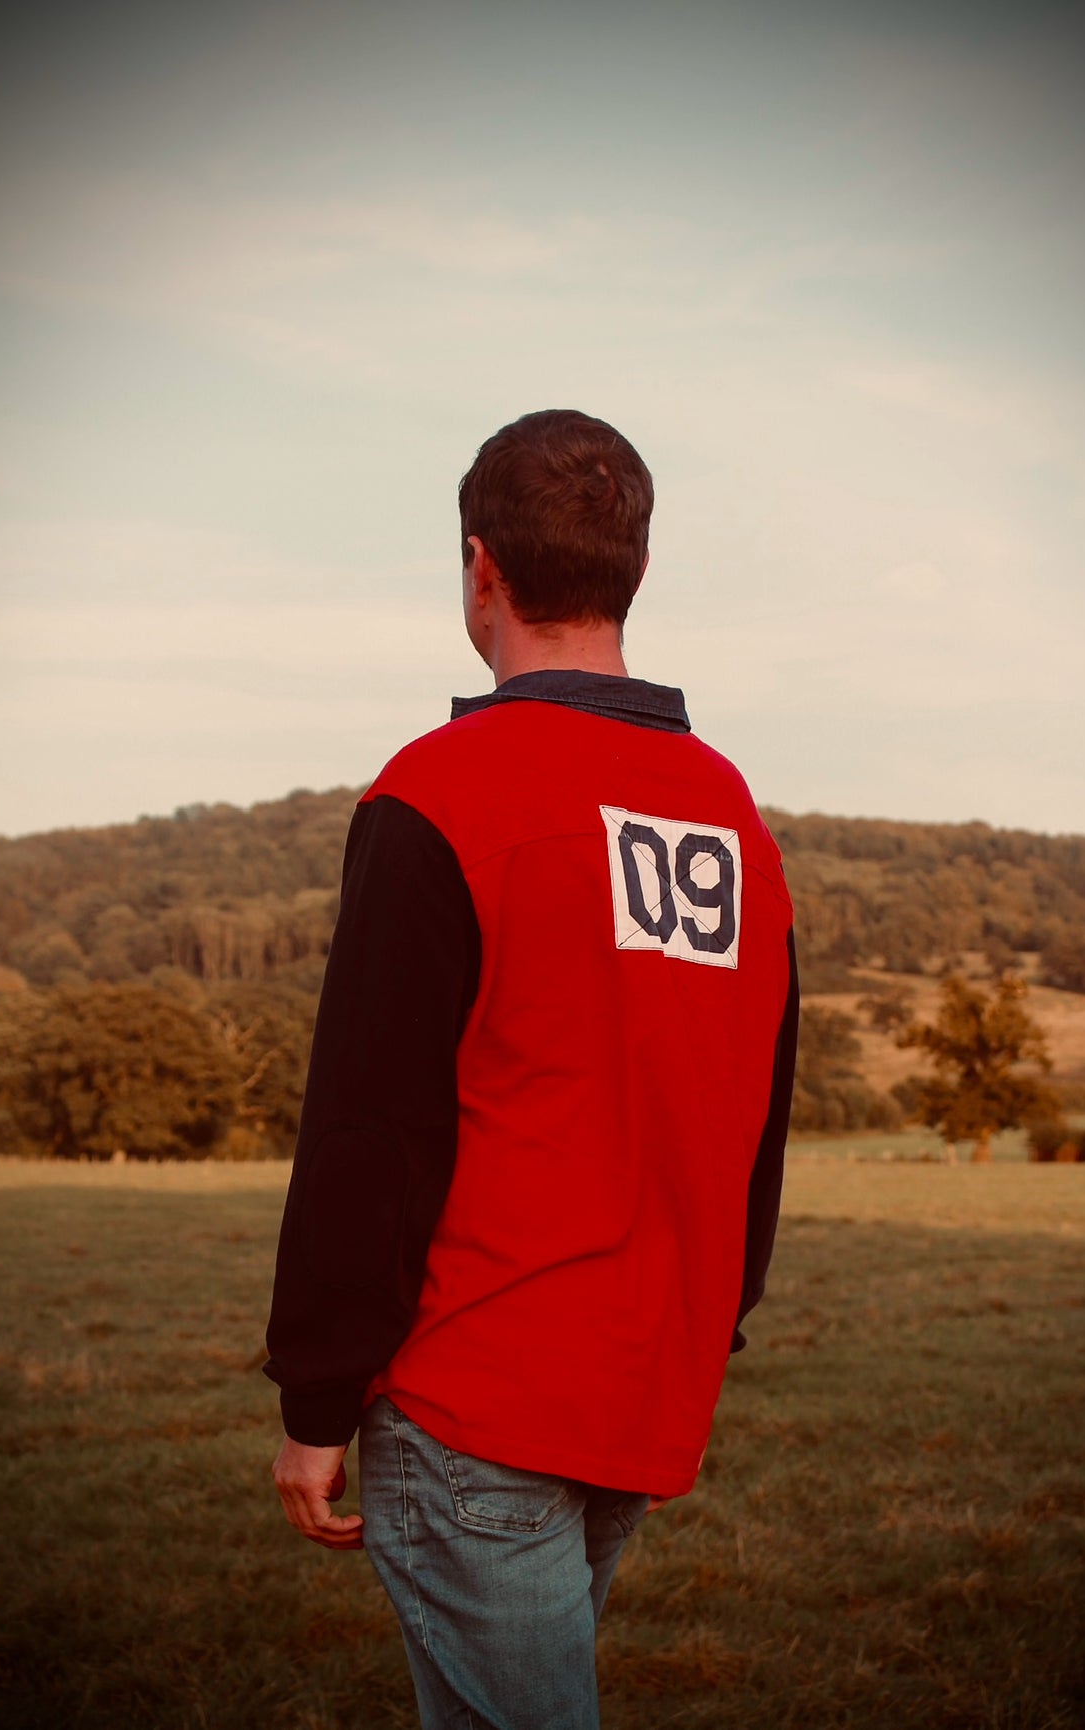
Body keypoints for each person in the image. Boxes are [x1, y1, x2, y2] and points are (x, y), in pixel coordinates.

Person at [264, 408, 799, 1730]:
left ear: (479, 566)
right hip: (642, 1393)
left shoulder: (442, 791)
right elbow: (756, 1116)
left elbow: (366, 1129)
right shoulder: (729, 810)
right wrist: (704, 1324)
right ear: (633, 568)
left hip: (475, 1400)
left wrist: (317, 1395)